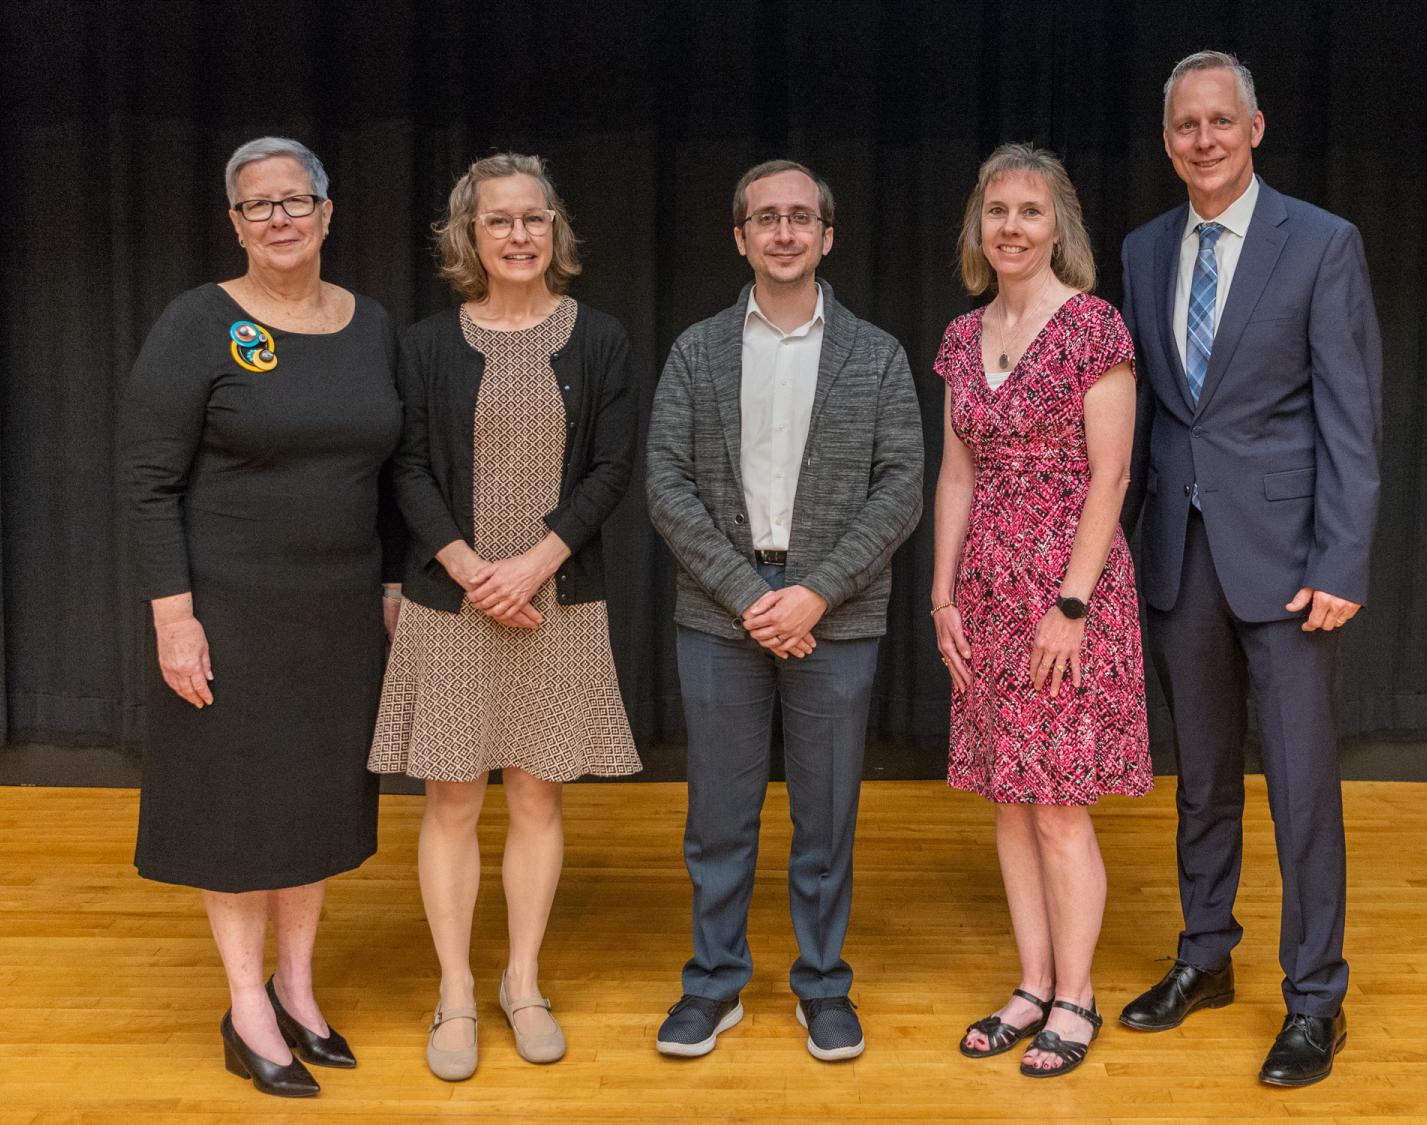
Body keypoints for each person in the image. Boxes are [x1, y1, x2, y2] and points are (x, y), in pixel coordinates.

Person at [1117, 51, 1381, 1087]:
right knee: (1205, 784)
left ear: (1256, 128)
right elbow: (1143, 426)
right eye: (1186, 126)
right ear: (1168, 140)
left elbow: (1350, 418)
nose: (1205, 140)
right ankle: (1205, 958)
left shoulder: (1320, 243)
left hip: (1291, 568)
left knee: (1304, 791)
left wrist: (1344, 558)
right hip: (1179, 563)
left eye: (1222, 121)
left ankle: (1316, 999)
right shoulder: (1142, 251)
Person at [123, 137, 402, 1098]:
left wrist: (397, 584)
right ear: (236, 224)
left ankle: (298, 987)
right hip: (229, 613)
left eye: (297, 199)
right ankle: (247, 1009)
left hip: (338, 617)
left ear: (329, 212)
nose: (279, 217)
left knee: (313, 803)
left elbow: (397, 471)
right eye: (258, 205)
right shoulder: (198, 323)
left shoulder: (371, 326)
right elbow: (148, 481)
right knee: (238, 811)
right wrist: (173, 617)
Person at [368, 152, 640, 1080]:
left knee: (536, 794)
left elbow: (611, 468)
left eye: (534, 219)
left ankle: (521, 981)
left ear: (555, 231)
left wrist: (533, 564)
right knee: (451, 798)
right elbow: (404, 466)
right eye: (499, 222)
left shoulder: (599, 338)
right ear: (467, 238)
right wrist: (470, 569)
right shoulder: (424, 344)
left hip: (558, 600)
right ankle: (453, 991)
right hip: (453, 602)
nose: (518, 236)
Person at [646, 159, 923, 1063]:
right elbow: (667, 487)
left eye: (801, 217)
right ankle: (713, 984)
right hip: (721, 613)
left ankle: (822, 986)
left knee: (826, 815)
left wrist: (814, 591)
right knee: (717, 819)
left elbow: (900, 491)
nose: (784, 232)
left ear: (827, 234)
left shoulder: (875, 354)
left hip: (833, 614)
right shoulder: (696, 349)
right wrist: (751, 596)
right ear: (740, 236)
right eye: (765, 218)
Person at [932, 144, 1151, 1078]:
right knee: (1010, 800)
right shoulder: (960, 334)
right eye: (996, 212)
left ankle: (1076, 995)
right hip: (983, 590)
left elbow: (1113, 476)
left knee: (1060, 805)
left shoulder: (1093, 326)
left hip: (1067, 589)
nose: (1011, 227)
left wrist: (1071, 603)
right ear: (978, 227)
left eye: (1028, 211)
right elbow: (956, 472)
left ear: (1058, 225)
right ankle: (1031, 983)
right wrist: (942, 592)